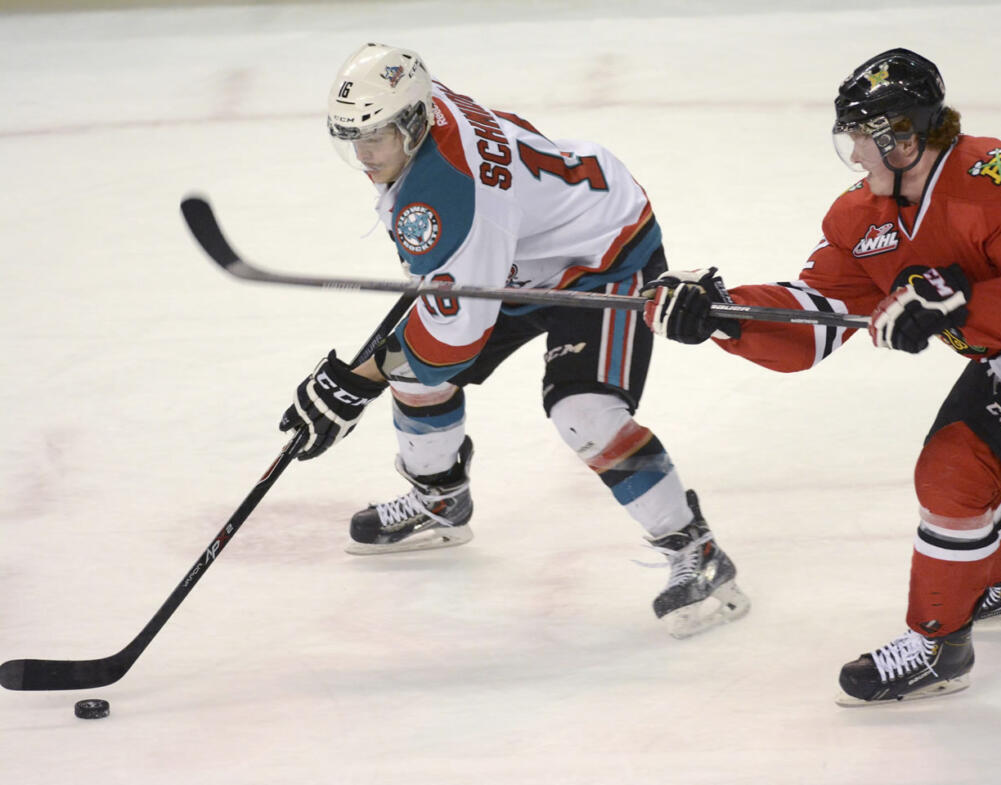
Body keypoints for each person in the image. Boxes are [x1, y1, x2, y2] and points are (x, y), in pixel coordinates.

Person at [642, 48, 1001, 700]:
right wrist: (726, 316)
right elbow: (818, 319)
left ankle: (937, 646)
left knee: (955, 470)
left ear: (900, 138)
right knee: (961, 466)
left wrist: (958, 304)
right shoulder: (860, 218)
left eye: (861, 140)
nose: (854, 157)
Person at [278, 43, 749, 639]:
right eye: (355, 138)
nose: (363, 155)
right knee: (407, 366)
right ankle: (440, 500)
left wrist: (353, 384)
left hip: (601, 253)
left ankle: (698, 552)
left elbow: (451, 341)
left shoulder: (448, 200)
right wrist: (376, 369)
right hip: (523, 247)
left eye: (375, 138)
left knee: (583, 411)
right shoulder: (426, 109)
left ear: (415, 122)